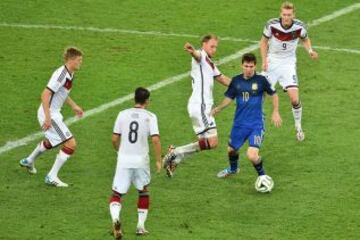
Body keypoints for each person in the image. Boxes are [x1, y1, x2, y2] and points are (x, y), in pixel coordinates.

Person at [162, 34, 231, 177]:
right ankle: (176, 153)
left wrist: (243, 85)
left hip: (199, 106)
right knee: (213, 142)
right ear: (204, 45)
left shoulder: (210, 64)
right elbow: (197, 55)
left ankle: (176, 156)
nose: (214, 49)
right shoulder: (201, 57)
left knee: (205, 142)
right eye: (212, 46)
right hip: (201, 106)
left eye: (216, 47)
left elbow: (223, 79)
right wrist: (193, 51)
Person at [212, 53, 282, 182]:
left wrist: (275, 111)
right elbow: (229, 98)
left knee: (252, 155)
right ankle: (233, 169)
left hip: (256, 125)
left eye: (251, 66)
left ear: (255, 66)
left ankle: (263, 177)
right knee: (231, 150)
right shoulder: (236, 81)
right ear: (241, 65)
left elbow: (274, 94)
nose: (248, 69)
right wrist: (218, 108)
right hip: (239, 124)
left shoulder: (261, 80)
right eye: (246, 66)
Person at [19, 47, 84, 187]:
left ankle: (29, 161)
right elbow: (45, 94)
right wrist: (48, 118)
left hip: (53, 113)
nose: (81, 63)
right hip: (49, 113)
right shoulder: (61, 74)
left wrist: (74, 105)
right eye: (79, 60)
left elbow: (62, 93)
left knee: (52, 140)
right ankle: (51, 176)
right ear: (71, 60)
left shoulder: (69, 74)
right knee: (71, 143)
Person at [259, 1, 318, 141]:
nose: (286, 17)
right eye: (284, 14)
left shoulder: (300, 27)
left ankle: (298, 126)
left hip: (288, 63)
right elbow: (263, 42)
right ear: (281, 14)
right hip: (272, 61)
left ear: (293, 15)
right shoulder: (271, 24)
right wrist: (264, 60)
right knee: (260, 93)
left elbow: (305, 39)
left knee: (294, 98)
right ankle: (257, 123)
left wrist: (310, 50)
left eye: (289, 15)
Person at [109, 87, 161, 239]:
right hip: (141, 161)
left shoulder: (122, 114)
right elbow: (156, 140)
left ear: (134, 99)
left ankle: (116, 220)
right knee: (143, 190)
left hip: (124, 159)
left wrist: (119, 151)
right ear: (147, 101)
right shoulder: (150, 116)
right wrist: (158, 160)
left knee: (116, 194)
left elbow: (114, 139)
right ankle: (140, 226)